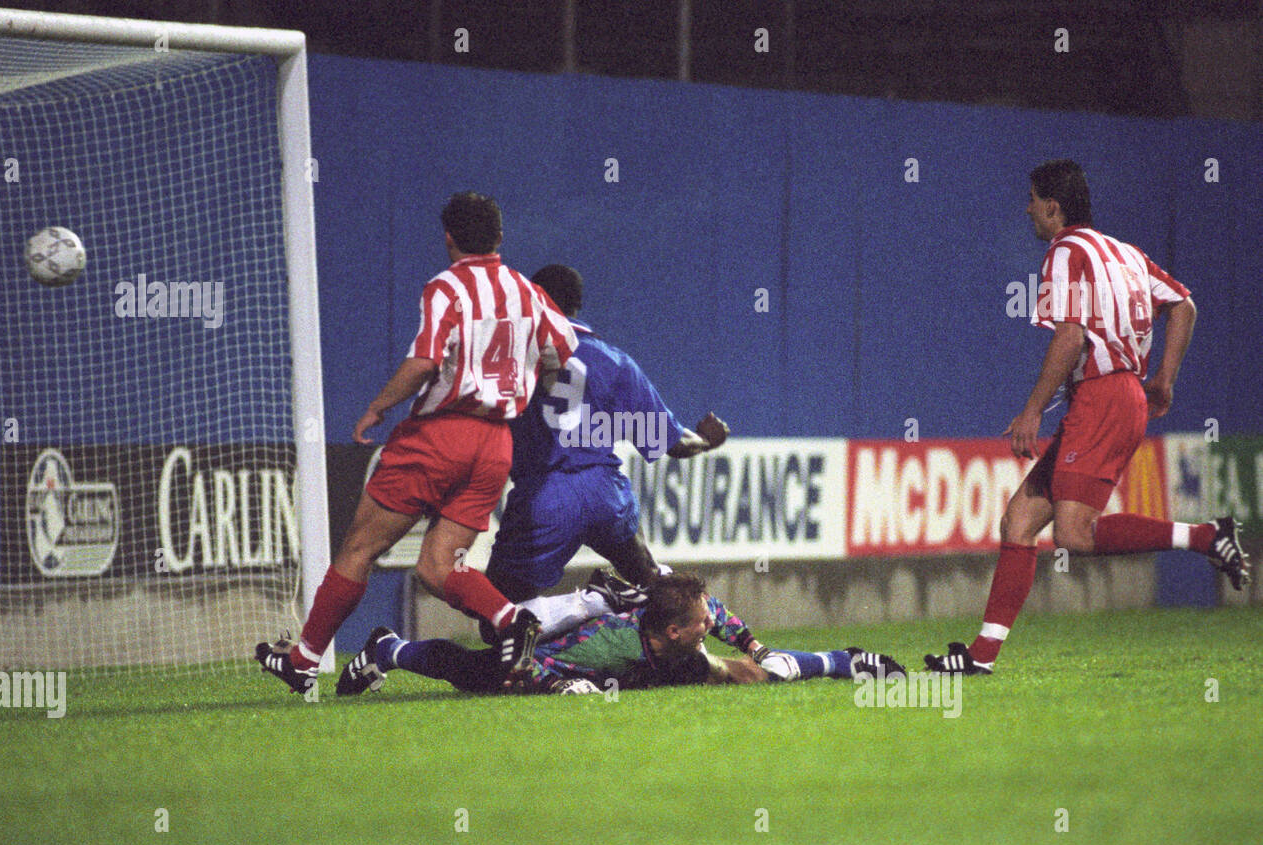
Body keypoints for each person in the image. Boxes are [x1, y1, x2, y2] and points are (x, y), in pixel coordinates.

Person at [925, 160, 1251, 677]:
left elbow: (1071, 335)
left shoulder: (1065, 251)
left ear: (1053, 207)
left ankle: (1208, 536)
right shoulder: (1126, 253)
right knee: (1020, 519)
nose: (1027, 207)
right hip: (1121, 397)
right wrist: (1164, 378)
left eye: (1033, 198)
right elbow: (1185, 304)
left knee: (1075, 534)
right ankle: (980, 658)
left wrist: (1032, 408)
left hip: (1102, 398)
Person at [256, 192, 578, 694]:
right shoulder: (526, 291)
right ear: (499, 237)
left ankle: (304, 658)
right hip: (495, 445)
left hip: (439, 436)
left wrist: (378, 406)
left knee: (360, 547)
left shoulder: (446, 288)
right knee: (438, 565)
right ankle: (510, 617)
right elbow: (562, 351)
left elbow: (426, 361)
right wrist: (523, 382)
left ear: (448, 238)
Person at [484, 263, 729, 606]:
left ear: (535, 300)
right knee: (652, 586)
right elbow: (671, 443)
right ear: (578, 305)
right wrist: (706, 441)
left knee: (496, 613)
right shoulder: (614, 361)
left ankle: (592, 605)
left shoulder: (512, 355)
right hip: (605, 494)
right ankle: (689, 632)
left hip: (545, 496)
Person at [335, 571, 905, 696]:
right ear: (676, 631)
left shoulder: (679, 622)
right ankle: (390, 646)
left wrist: (754, 646)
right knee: (480, 674)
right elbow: (538, 669)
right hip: (537, 641)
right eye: (702, 625)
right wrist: (559, 689)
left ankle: (846, 660)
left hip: (650, 663)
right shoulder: (604, 643)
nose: (711, 625)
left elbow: (720, 616)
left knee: (760, 674)